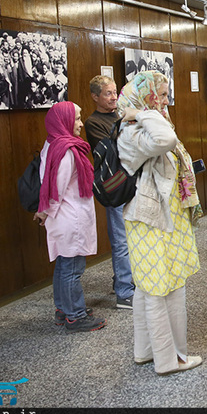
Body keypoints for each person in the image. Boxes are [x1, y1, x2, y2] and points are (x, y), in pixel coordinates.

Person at [116, 71, 202, 375]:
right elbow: (166, 140)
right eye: (161, 95)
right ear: (145, 97)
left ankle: (145, 351)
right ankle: (170, 360)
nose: (166, 101)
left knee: (151, 287)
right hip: (150, 218)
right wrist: (141, 112)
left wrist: (144, 113)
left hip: (159, 217)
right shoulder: (133, 131)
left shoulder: (141, 126)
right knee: (162, 289)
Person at [34, 101, 106, 333]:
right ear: (63, 121)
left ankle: (63, 309)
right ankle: (75, 316)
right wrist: (45, 212)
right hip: (69, 218)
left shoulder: (52, 143)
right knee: (73, 268)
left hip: (62, 218)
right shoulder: (66, 151)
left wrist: (45, 213)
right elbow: (56, 188)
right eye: (76, 119)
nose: (80, 123)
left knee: (64, 266)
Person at [84, 75, 136, 310]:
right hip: (114, 185)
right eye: (108, 93)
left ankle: (122, 281)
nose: (114, 97)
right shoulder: (93, 122)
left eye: (115, 92)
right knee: (120, 241)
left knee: (130, 238)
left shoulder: (120, 114)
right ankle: (124, 293)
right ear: (95, 96)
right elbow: (112, 147)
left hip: (130, 182)